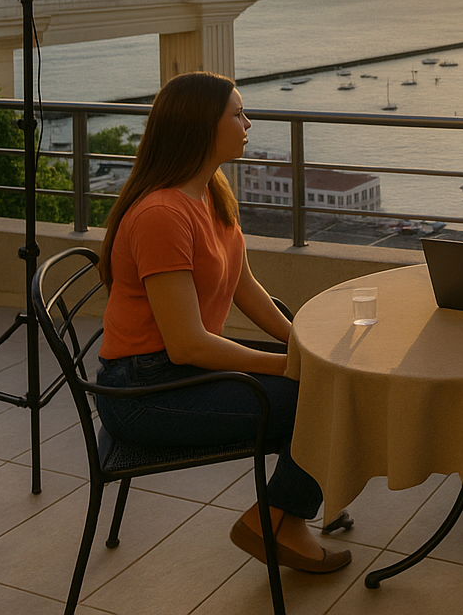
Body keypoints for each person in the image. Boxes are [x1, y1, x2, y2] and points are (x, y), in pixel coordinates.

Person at [96, 72, 350, 574]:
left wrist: (300, 341)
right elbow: (189, 345)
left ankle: (291, 501)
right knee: (325, 397)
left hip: (175, 368)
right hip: (145, 392)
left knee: (327, 378)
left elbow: (244, 285)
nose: (248, 122)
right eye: (237, 113)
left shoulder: (210, 190)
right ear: (200, 126)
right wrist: (290, 366)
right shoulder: (162, 215)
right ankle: (277, 520)